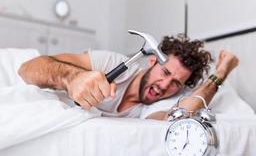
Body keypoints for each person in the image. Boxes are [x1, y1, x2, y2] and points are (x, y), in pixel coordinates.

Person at [18, 35, 239, 120]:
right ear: (152, 61)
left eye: (175, 83)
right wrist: (71, 78)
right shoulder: (112, 64)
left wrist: (220, 73)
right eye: (165, 72)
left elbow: (180, 116)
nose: (164, 85)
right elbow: (29, 68)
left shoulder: (159, 105)